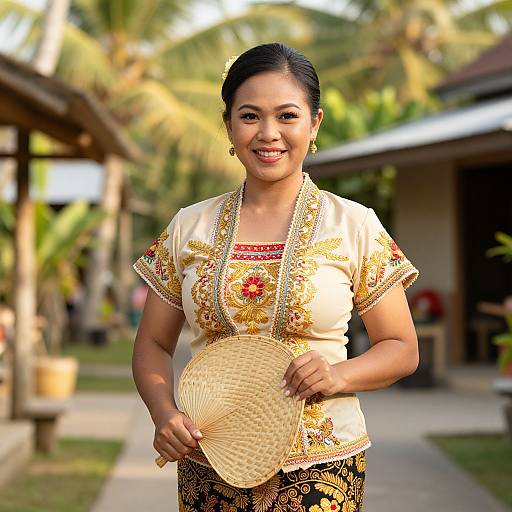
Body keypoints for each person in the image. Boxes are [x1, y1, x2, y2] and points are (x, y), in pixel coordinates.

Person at [132, 42, 420, 512]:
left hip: (323, 467)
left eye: (287, 116)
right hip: (210, 461)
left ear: (315, 124)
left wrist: (337, 374)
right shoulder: (189, 226)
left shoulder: (355, 224)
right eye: (249, 116)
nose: (269, 134)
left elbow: (402, 349)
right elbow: (152, 345)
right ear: (228, 126)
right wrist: (163, 414)